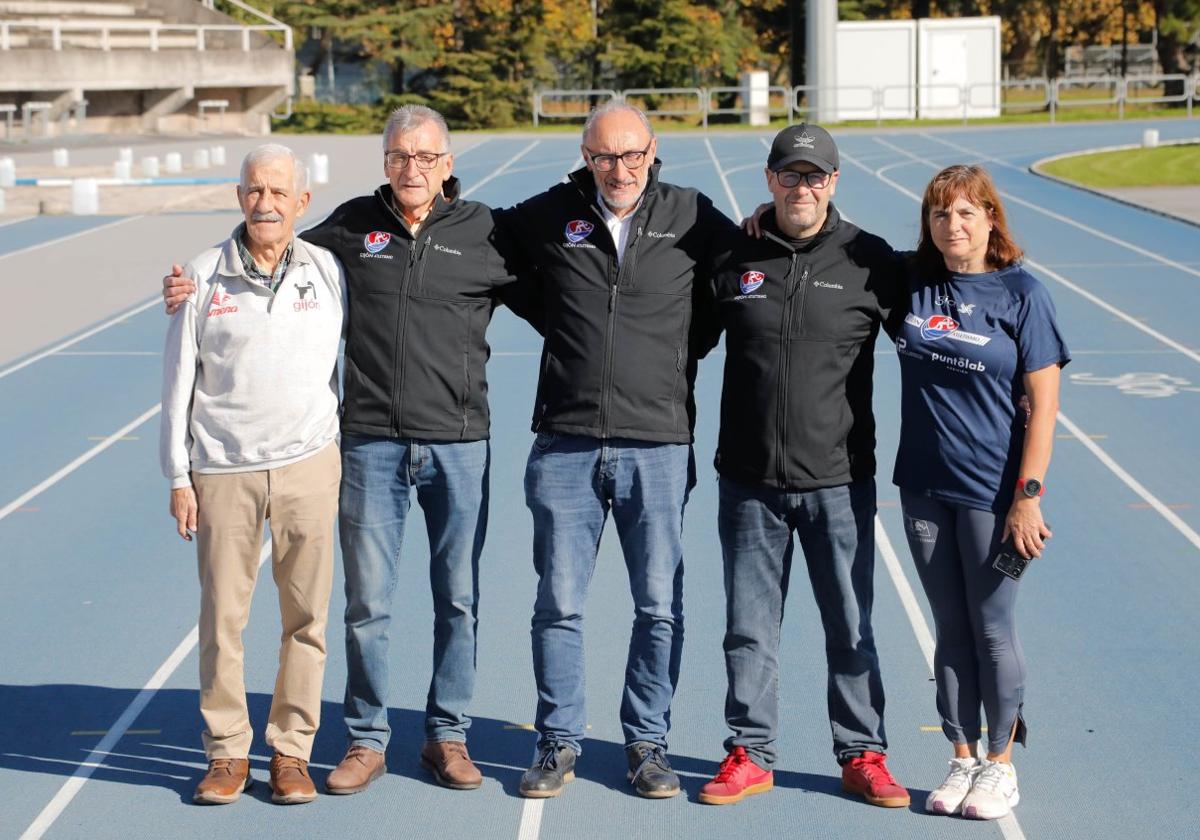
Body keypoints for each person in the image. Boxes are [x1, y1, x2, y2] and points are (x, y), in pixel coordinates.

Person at [163, 105, 529, 795]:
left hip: (459, 443)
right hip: (369, 446)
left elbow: (561, 290)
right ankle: (366, 739)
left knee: (457, 599)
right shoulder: (350, 229)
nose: (411, 169)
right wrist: (195, 280)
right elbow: (267, 232)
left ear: (447, 165)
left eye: (425, 157)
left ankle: (447, 735)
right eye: (398, 156)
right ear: (384, 162)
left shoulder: (485, 231)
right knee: (368, 605)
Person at [498, 102, 737, 799]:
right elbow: (484, 244)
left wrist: (671, 361)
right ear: (584, 156)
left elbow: (734, 287)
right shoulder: (550, 214)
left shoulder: (693, 214)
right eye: (604, 157)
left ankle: (647, 744)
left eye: (632, 156)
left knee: (658, 605)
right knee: (559, 605)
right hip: (566, 444)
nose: (620, 169)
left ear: (653, 151)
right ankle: (558, 741)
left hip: (658, 445)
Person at [693, 124, 911, 808]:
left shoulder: (873, 262)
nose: (802, 187)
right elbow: (682, 342)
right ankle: (750, 753)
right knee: (749, 628)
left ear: (834, 183)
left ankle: (863, 753)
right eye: (790, 175)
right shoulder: (734, 255)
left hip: (841, 484)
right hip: (750, 483)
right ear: (770, 180)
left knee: (850, 625)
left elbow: (939, 335)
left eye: (815, 176)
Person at [161, 144, 345, 805]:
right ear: (239, 198)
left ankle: (292, 751)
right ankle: (227, 751)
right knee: (223, 621)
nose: (263, 204)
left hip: (308, 466)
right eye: (251, 191)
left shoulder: (327, 270)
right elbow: (178, 381)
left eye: (276, 193)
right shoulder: (202, 275)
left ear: (301, 202)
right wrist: (178, 476)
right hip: (223, 472)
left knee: (307, 620)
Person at [894, 164, 1068, 820]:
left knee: (993, 629)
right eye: (941, 214)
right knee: (951, 629)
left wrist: (1028, 495)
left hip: (996, 496)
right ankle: (961, 756)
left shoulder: (1024, 293)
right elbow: (836, 242)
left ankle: (1001, 765)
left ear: (991, 218)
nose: (953, 225)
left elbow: (1045, 409)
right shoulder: (914, 282)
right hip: (922, 488)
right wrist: (763, 219)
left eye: (967, 213)